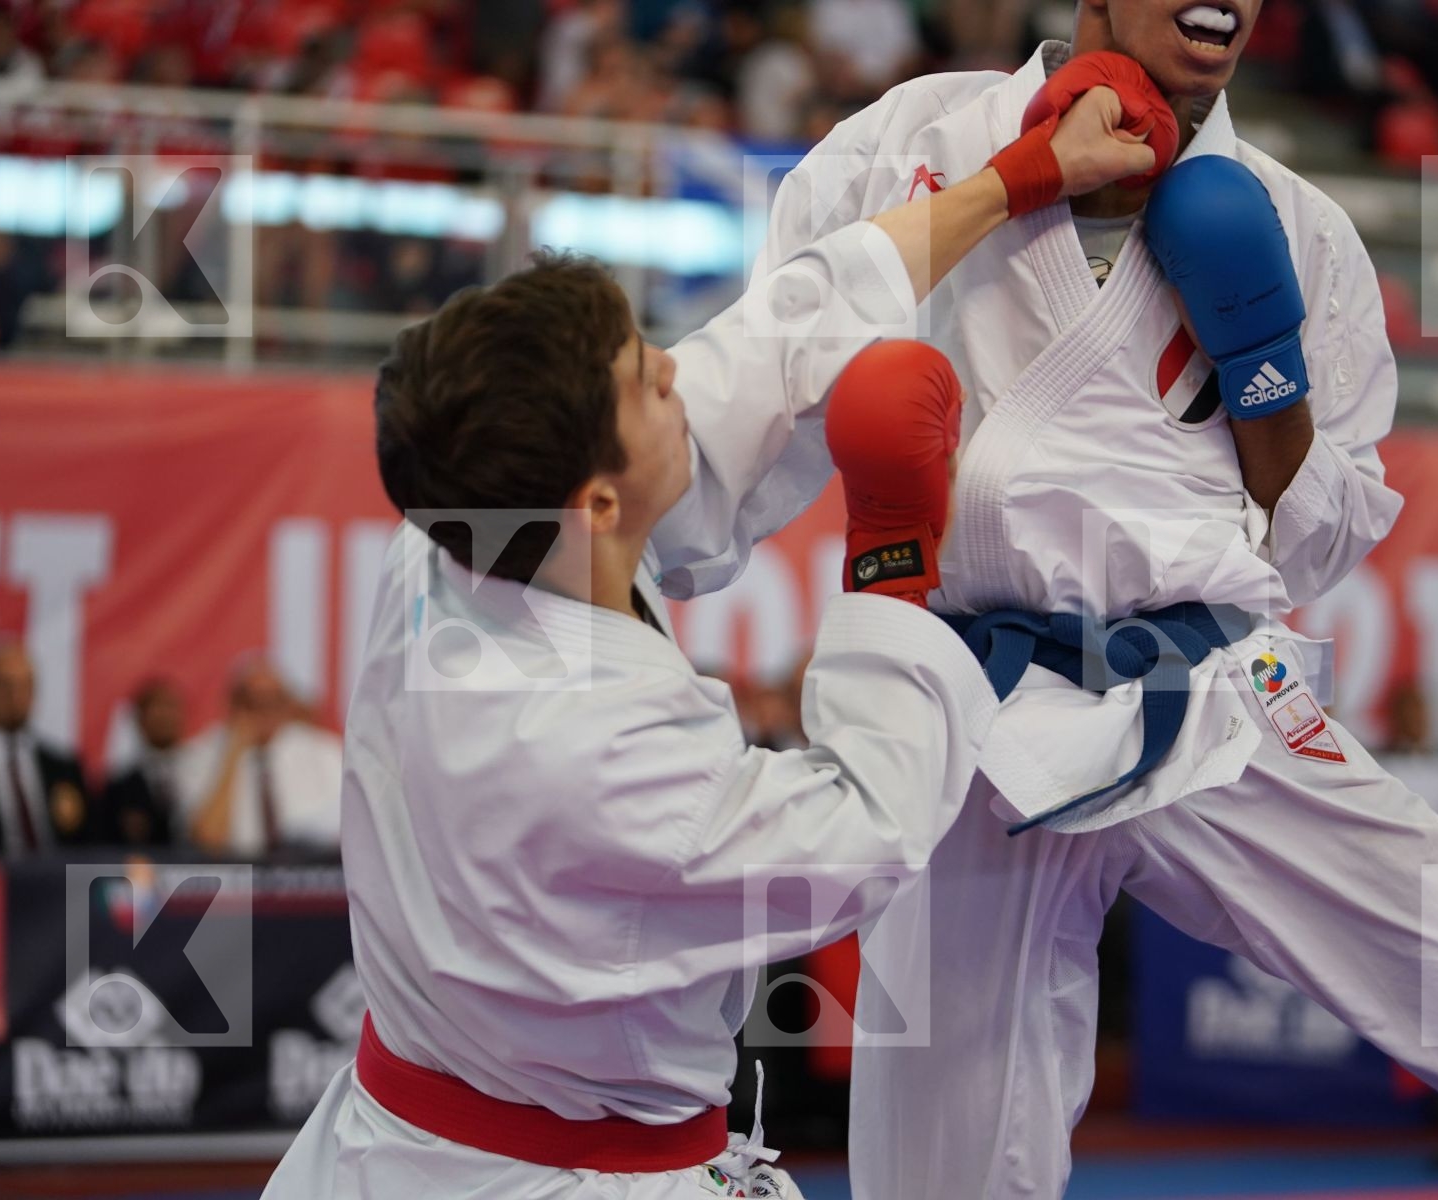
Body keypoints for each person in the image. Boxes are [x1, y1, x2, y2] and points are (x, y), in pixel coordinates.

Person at [648, 2, 1438, 1196]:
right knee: (941, 1167)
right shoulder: (909, 146)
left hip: (1218, 687)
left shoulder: (1298, 229)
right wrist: (625, 581)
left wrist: (1263, 380)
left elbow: (1318, 538)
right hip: (980, 710)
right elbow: (768, 382)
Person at [266, 83, 1153, 1197]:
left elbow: (775, 340)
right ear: (595, 502)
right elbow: (864, 831)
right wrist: (889, 556)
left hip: (405, 1138)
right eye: (646, 382)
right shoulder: (587, 744)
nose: (677, 372)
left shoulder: (464, 532)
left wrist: (1014, 182)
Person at [0, 641, 97, 854]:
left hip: (55, 881)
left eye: (25, 685)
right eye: (3, 684)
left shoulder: (63, 767)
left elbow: (89, 842)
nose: (14, 695)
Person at [179, 657, 342, 858]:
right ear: (233, 704)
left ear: (287, 704)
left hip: (309, 876)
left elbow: (343, 835)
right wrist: (235, 751)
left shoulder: (324, 753)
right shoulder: (200, 756)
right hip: (234, 878)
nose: (264, 712)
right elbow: (208, 840)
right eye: (252, 702)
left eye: (273, 701)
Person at [102, 677, 189, 848]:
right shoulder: (120, 785)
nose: (164, 716)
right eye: (156, 707)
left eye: (170, 706)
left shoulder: (203, 772)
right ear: (139, 718)